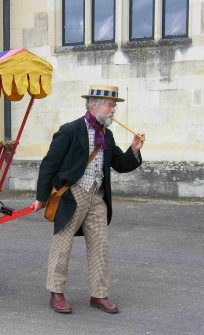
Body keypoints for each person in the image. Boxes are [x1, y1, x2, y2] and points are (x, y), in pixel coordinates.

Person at [31, 84, 145, 314]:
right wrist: (41, 197)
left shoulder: (107, 134)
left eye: (114, 106)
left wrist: (134, 150)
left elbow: (120, 164)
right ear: (94, 105)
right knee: (63, 243)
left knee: (100, 245)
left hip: (97, 195)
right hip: (72, 193)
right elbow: (49, 164)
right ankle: (56, 293)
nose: (113, 111)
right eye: (110, 106)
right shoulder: (70, 130)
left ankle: (99, 295)